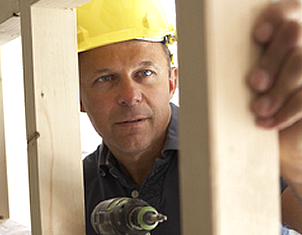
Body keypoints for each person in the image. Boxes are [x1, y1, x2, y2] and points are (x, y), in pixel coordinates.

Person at [77, 0, 302, 234]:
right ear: (79, 98)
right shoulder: (78, 188)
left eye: (145, 73)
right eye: (105, 78)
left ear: (172, 82)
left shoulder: (238, 150)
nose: (130, 96)